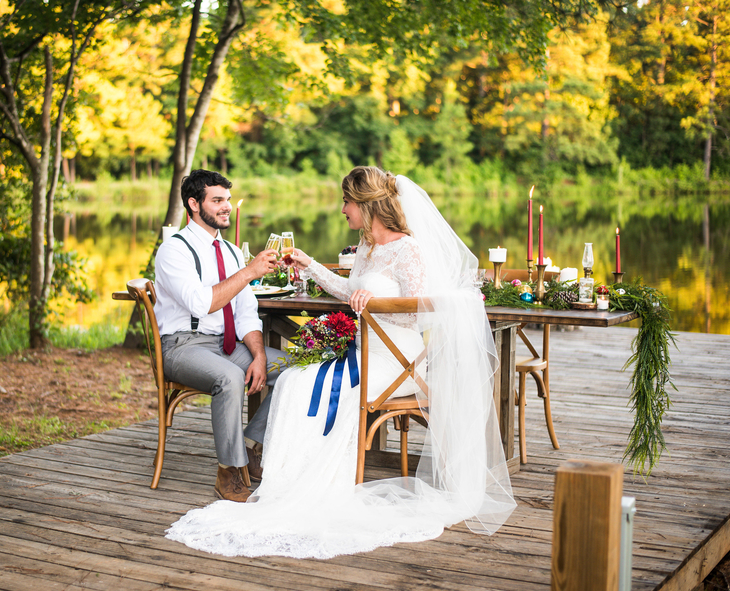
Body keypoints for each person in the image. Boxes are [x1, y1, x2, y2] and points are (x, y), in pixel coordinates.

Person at [166, 167, 516, 559]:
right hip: (364, 352)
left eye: (347, 202)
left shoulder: (408, 248)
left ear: (366, 205)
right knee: (297, 378)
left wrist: (375, 304)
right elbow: (350, 291)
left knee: (307, 382)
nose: (342, 209)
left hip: (398, 360)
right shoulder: (367, 248)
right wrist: (310, 265)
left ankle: (301, 477)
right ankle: (278, 471)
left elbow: (417, 315)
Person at [153, 169, 287, 503]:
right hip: (183, 346)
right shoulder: (174, 251)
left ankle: (250, 445)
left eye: (227, 199)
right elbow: (202, 303)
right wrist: (250, 271)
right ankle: (230, 470)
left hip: (226, 345)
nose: (226, 207)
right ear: (194, 204)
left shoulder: (228, 250)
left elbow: (245, 312)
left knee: (294, 367)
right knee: (229, 376)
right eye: (217, 200)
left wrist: (257, 355)